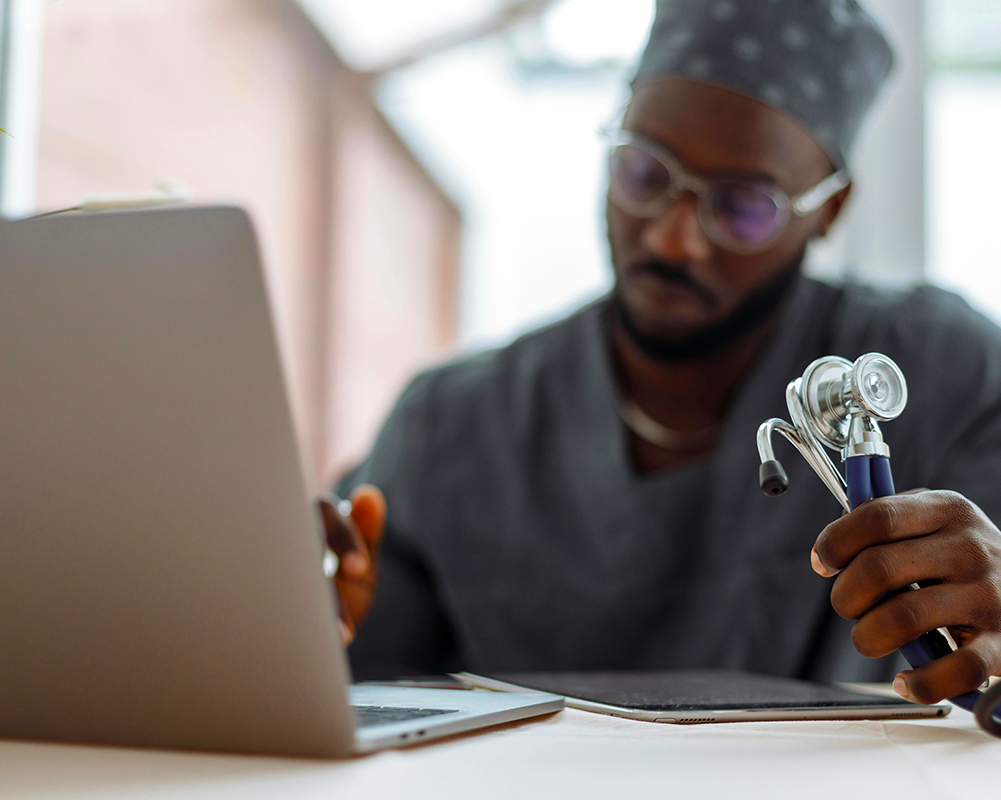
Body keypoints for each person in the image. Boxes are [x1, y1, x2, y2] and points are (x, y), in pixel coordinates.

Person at [324, 0, 1001, 708]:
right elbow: (365, 703)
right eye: (644, 173)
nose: (673, 239)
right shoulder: (449, 428)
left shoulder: (947, 378)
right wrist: (301, 617)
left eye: (742, 205)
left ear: (827, 211)